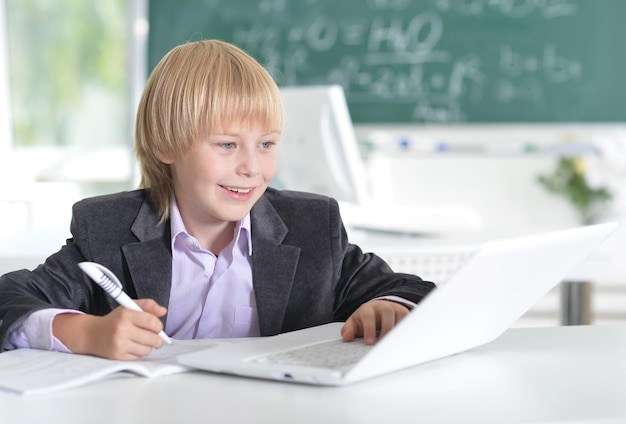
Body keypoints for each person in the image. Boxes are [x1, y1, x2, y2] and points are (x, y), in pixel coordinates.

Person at [0, 40, 435, 361]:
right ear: (165, 145)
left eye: (266, 144)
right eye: (227, 145)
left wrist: (388, 305)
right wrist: (87, 334)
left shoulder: (311, 224)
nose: (251, 167)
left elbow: (412, 289)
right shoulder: (107, 228)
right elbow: (10, 298)